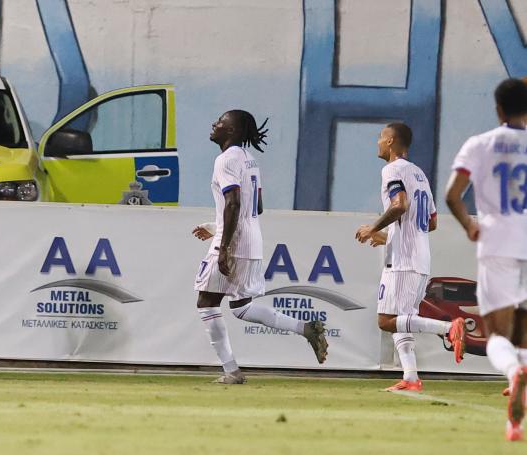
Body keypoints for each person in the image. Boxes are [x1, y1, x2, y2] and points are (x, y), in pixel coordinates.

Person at [193, 110, 328, 384]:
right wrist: (216, 226)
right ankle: (305, 328)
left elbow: (234, 203)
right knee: (241, 306)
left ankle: (231, 371)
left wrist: (223, 246)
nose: (214, 124)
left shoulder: (225, 159)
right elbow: (257, 206)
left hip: (234, 243)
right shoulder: (249, 159)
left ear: (231, 131)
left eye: (220, 122)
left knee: (206, 303)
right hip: (252, 242)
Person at [445, 78, 527, 441]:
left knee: (497, 335)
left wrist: (469, 225)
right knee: (523, 334)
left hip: (498, 243)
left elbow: (452, 194)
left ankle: (513, 373)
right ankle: (516, 423)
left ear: (498, 110)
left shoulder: (479, 145)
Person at [356, 123, 465, 392]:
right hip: (418, 258)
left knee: (386, 320)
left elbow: (400, 205)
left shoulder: (392, 170)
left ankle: (448, 328)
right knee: (401, 320)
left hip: (403, 261)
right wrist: (389, 236)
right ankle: (411, 377)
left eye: (381, 137)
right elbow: (431, 222)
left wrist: (373, 228)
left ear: (391, 141)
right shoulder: (419, 174)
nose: (377, 142)